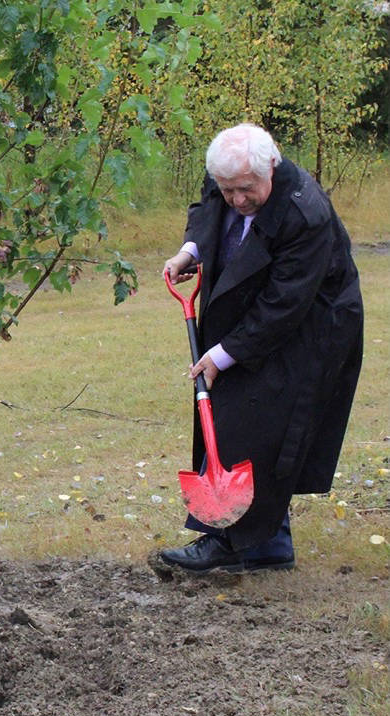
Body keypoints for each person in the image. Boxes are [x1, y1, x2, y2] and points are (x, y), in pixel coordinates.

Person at [152, 123, 363, 575]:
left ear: (272, 166)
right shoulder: (227, 177)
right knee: (250, 414)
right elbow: (208, 209)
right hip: (263, 311)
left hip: (314, 322)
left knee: (259, 418)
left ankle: (229, 540)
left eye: (246, 190)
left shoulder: (306, 214)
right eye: (229, 190)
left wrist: (224, 353)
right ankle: (269, 545)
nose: (237, 200)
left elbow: (284, 305)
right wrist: (191, 250)